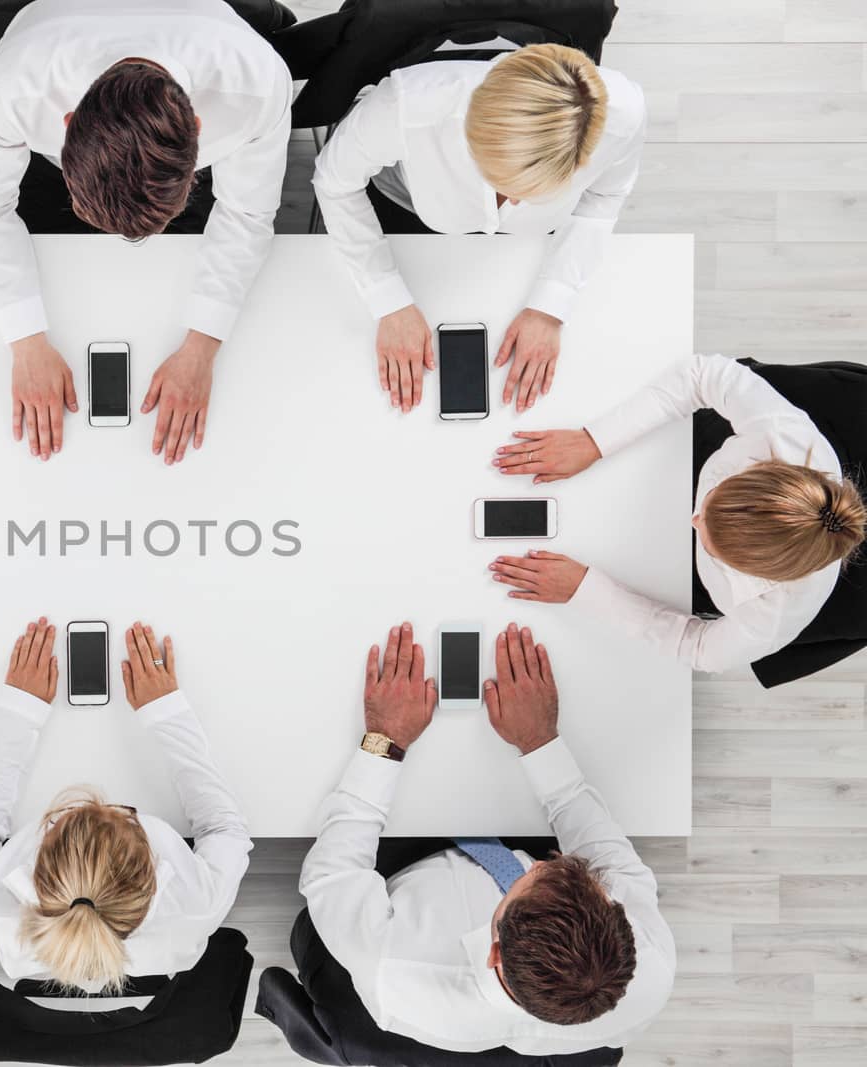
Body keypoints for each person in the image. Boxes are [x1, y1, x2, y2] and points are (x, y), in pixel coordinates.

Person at [299, 621, 674, 1054]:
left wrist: (385, 739)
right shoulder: (652, 968)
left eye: (529, 879)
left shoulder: (395, 966)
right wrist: (539, 740)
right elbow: (602, 853)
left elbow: (332, 872)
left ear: (494, 951)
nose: (537, 863)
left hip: (400, 875)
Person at [0, 0, 292, 465]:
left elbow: (247, 214)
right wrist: (25, 340)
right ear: (67, 125)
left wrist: (202, 347)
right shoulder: (10, 87)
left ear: (196, 129)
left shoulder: (257, 84)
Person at [313, 44, 646, 414]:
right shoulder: (405, 106)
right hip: (409, 210)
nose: (514, 204)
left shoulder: (624, 115)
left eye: (537, 191)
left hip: (527, 248)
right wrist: (386, 298)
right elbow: (334, 182)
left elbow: (604, 196)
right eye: (503, 183)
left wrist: (552, 303)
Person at [488, 353, 867, 676]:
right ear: (760, 467)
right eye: (712, 502)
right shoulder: (784, 436)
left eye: (714, 546)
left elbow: (700, 650)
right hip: (674, 457)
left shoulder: (774, 615)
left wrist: (587, 592)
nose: (693, 519)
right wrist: (595, 440)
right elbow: (706, 374)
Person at [0, 617, 251, 992]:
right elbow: (226, 830)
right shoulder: (197, 904)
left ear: (38, 864)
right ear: (151, 868)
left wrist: (21, 711)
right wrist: (166, 714)